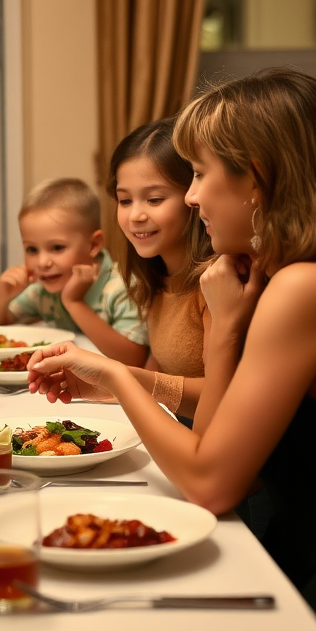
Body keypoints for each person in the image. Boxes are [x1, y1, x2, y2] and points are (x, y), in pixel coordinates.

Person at [27, 68, 316, 631]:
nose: (194, 194)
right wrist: (225, 331)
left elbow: (210, 482)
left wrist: (121, 377)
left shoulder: (305, 288)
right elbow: (214, 441)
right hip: (289, 563)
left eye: (200, 173)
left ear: (256, 178)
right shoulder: (285, 275)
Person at [107, 118, 214, 419]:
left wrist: (118, 377)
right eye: (125, 200)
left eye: (154, 199)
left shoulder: (216, 283)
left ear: (193, 197)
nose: (136, 215)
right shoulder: (156, 278)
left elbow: (223, 399)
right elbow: (159, 366)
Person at [0, 177, 148, 365]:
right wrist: (1, 297)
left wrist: (73, 302)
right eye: (32, 250)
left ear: (93, 245)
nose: (42, 262)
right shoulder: (41, 291)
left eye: (57, 248)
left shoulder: (122, 287)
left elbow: (135, 358)